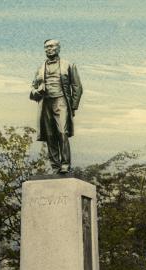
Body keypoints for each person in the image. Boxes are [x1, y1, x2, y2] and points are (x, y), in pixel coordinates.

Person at [30, 39, 83, 174]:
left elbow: (77, 87)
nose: (49, 49)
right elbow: (32, 89)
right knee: (50, 135)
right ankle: (55, 166)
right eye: (46, 47)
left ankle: (65, 164)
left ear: (58, 48)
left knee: (62, 132)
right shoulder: (40, 68)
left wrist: (73, 106)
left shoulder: (68, 65)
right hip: (45, 103)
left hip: (61, 101)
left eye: (51, 46)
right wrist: (37, 91)